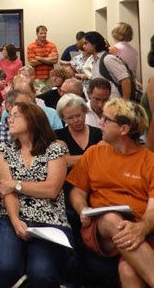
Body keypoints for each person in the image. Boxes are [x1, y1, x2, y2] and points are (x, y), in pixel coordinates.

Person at [67, 99, 154, 287]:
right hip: (100, 228)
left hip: (141, 229)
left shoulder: (149, 161)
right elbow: (77, 191)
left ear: (123, 129)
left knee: (128, 270)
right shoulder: (94, 153)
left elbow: (153, 209)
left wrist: (142, 228)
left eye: (106, 119)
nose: (100, 123)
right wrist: (82, 208)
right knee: (111, 218)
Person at [0, 102, 71, 288]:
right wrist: (15, 220)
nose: (8, 119)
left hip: (49, 219)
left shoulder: (55, 149)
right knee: (6, 267)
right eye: (8, 115)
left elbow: (51, 189)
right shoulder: (4, 150)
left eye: (15, 115)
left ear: (32, 119)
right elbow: (5, 191)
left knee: (41, 273)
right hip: (11, 216)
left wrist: (16, 185)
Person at [55, 94, 102, 168]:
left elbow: (102, 158)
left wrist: (72, 159)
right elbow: (63, 161)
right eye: (70, 118)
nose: (76, 120)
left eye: (78, 115)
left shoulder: (98, 133)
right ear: (63, 118)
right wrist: (92, 157)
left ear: (85, 112)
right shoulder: (58, 135)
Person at [84, 31, 132, 100]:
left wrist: (125, 102)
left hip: (115, 103)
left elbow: (125, 79)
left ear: (94, 44)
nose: (83, 46)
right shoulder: (95, 61)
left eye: (86, 43)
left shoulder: (108, 59)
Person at [26, 25, 59, 93]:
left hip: (50, 77)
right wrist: (48, 59)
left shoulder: (52, 45)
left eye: (45, 33)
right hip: (37, 78)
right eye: (41, 33)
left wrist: (39, 58)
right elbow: (32, 62)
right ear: (37, 34)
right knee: (39, 98)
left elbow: (55, 60)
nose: (43, 35)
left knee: (50, 97)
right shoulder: (31, 46)